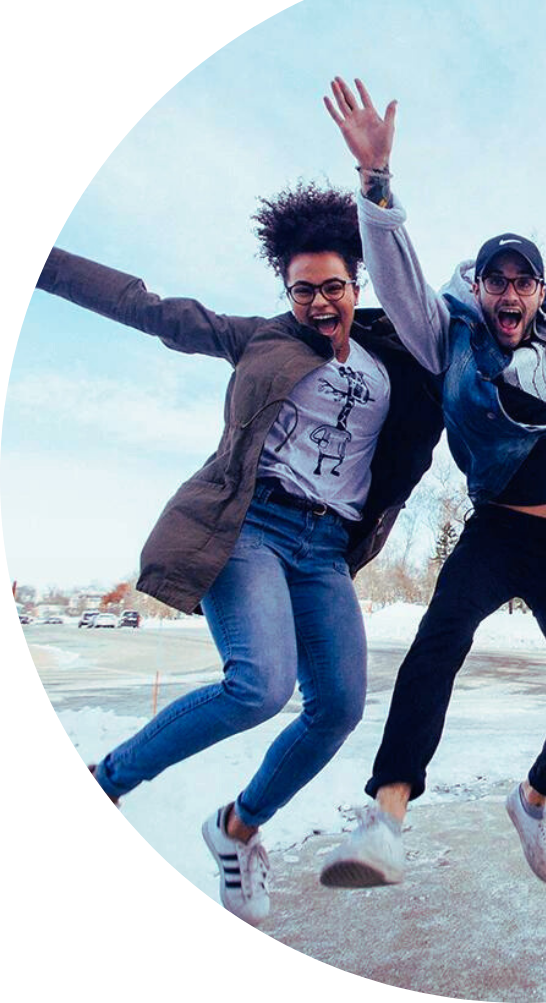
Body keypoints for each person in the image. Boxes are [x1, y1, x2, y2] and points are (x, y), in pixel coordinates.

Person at [35, 184, 443, 923]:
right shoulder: (260, 337)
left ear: (357, 283)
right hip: (249, 526)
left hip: (325, 549)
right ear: (285, 291)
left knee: (340, 708)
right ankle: (110, 778)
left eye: (333, 287)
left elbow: (453, 327)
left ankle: (236, 828)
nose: (319, 303)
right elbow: (145, 305)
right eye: (302, 290)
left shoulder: (400, 356)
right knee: (260, 686)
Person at [315, 77, 546, 886]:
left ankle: (531, 800)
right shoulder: (450, 338)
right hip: (496, 530)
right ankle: (387, 817)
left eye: (521, 282)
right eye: (496, 281)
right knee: (436, 649)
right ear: (480, 290)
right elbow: (397, 280)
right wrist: (377, 187)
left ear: (538, 291)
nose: (509, 293)